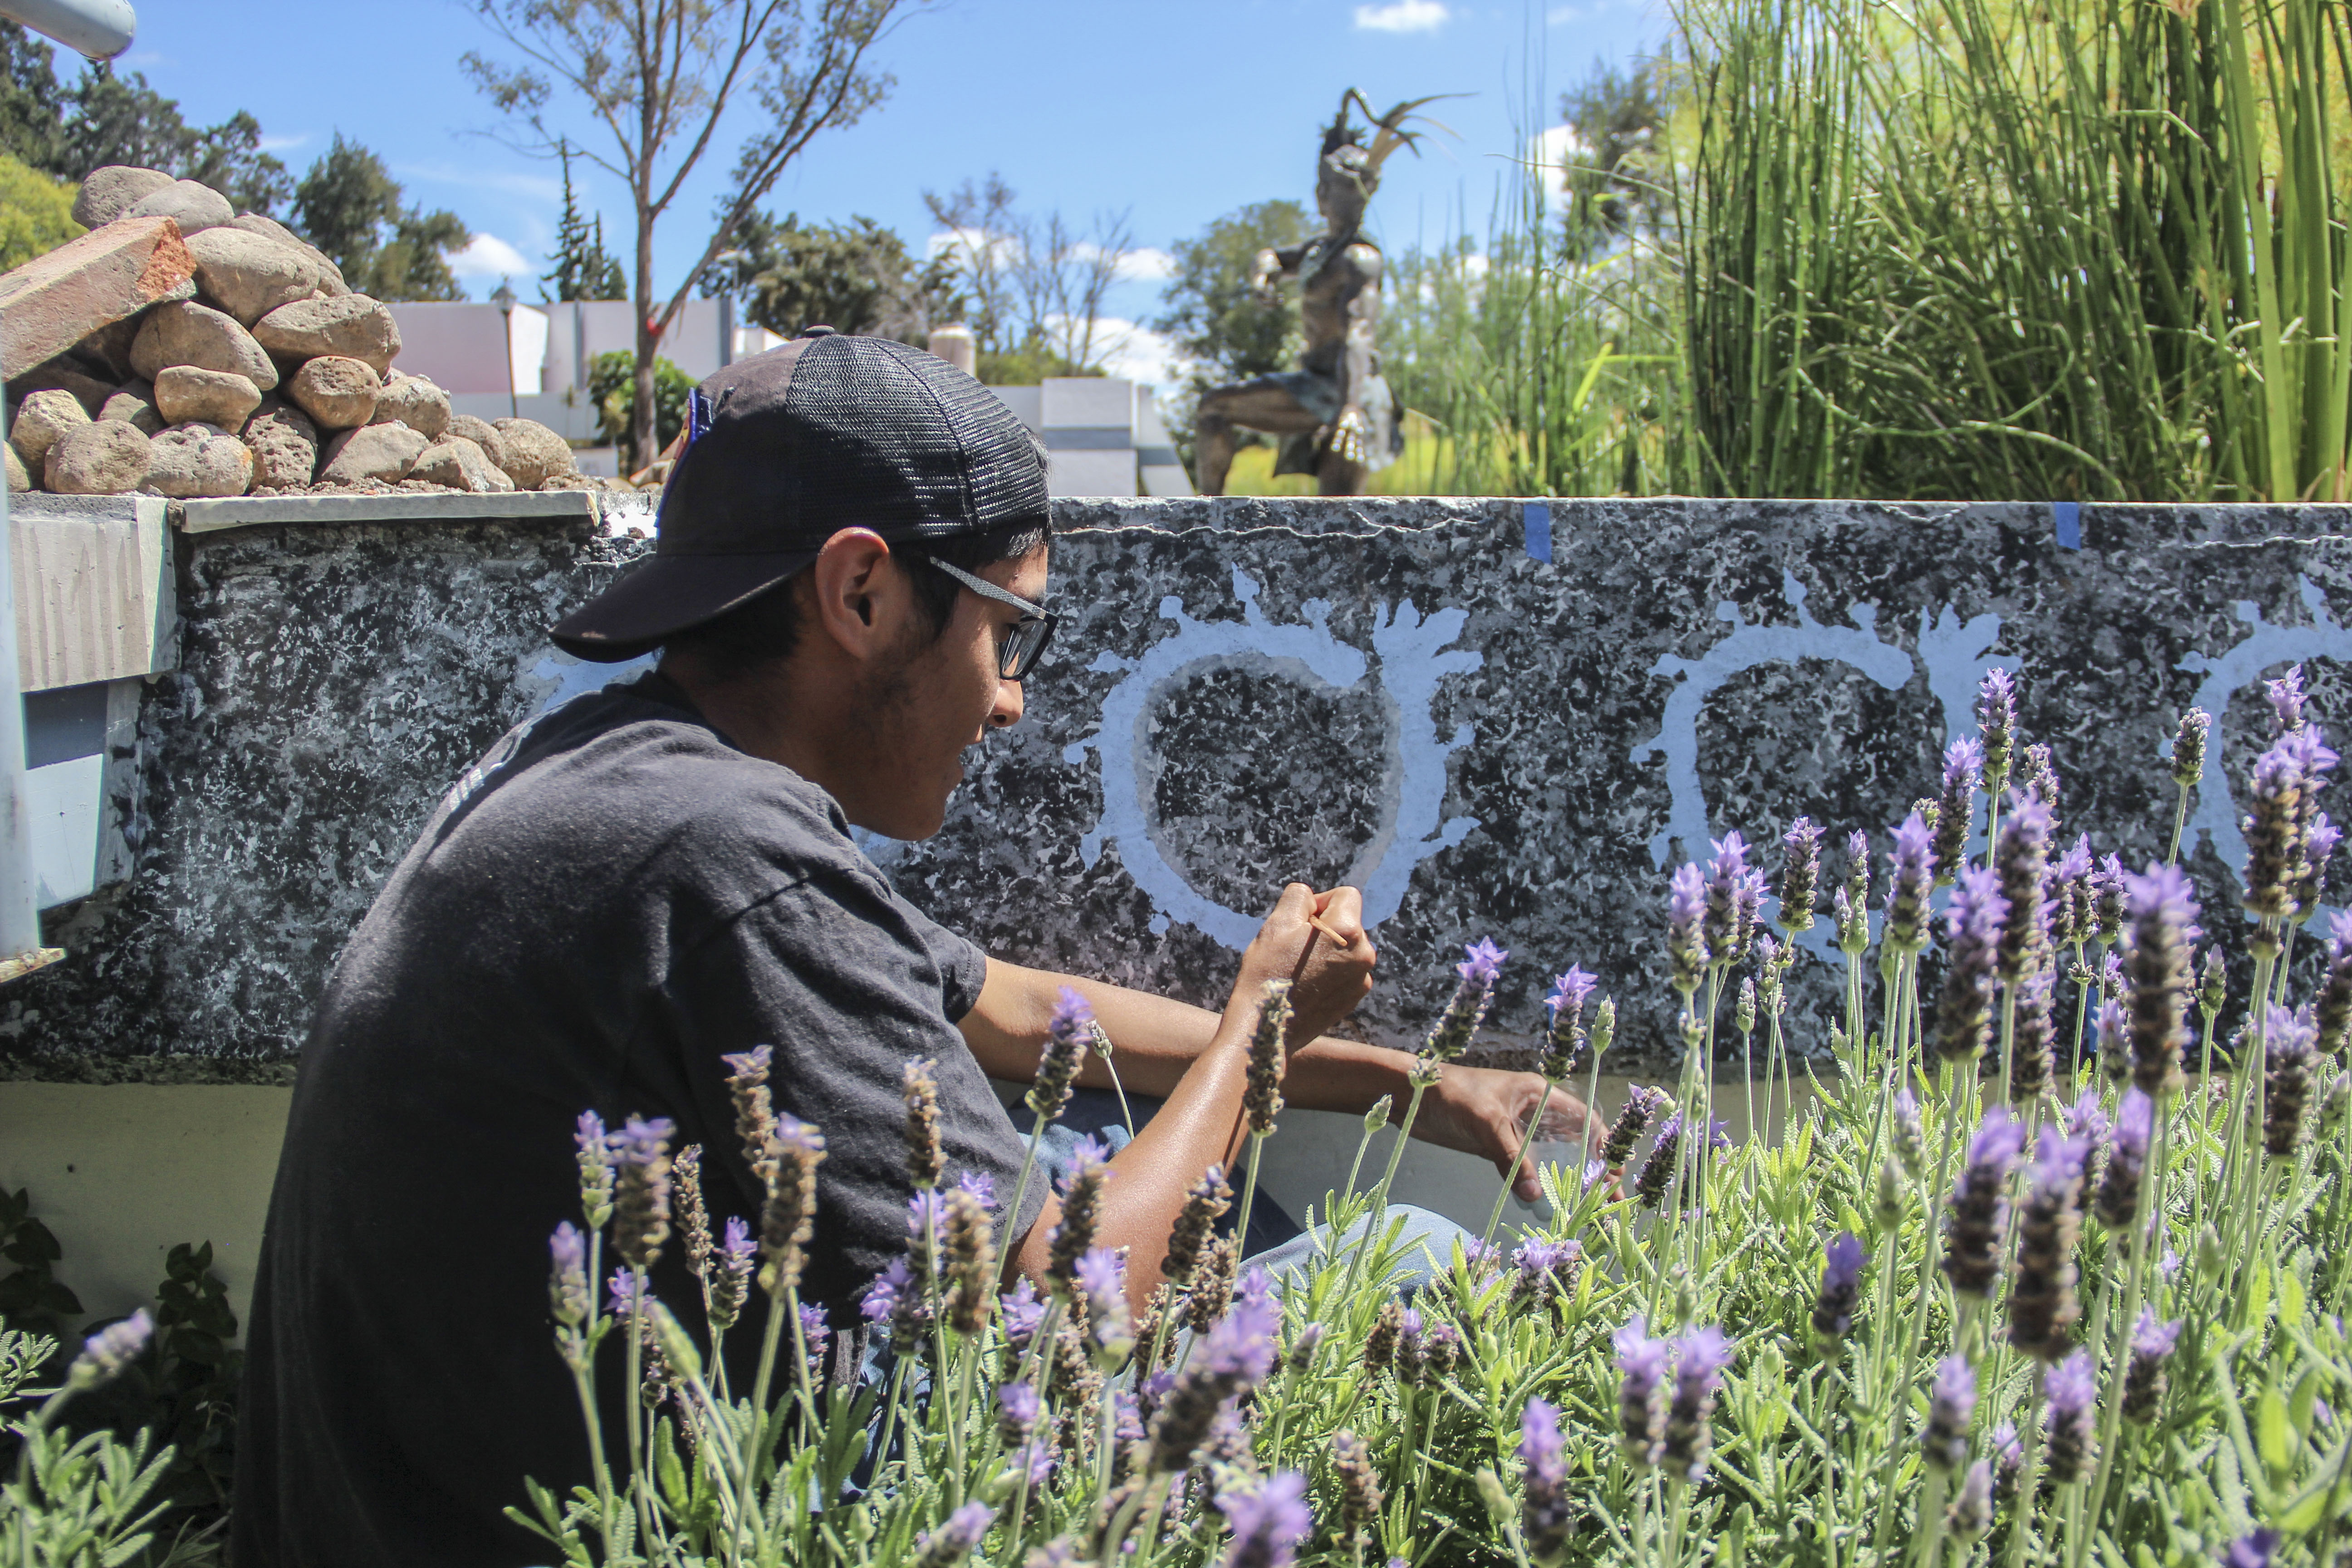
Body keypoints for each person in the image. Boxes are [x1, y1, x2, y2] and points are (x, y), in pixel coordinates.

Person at [231, 326, 1597, 1567]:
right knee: (1411, 1263)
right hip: (600, 1529)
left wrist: (1396, 1080)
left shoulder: (614, 765)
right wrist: (1258, 1027)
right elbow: (1059, 1323)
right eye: (1012, 631)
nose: (1011, 702)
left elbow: (1000, 1008)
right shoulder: (724, 856)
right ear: (864, 595)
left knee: (1183, 1192)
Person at [1194, 92, 1436, 496]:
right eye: (1334, 190)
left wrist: (1351, 409)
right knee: (1213, 407)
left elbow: (1359, 332)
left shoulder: (1359, 260)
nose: (1341, 201)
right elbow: (1271, 256)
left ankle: (1349, 422)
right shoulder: (1317, 252)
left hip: (1352, 390)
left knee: (1338, 517)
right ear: (1321, 195)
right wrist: (1265, 276)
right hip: (1313, 383)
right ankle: (1205, 521)